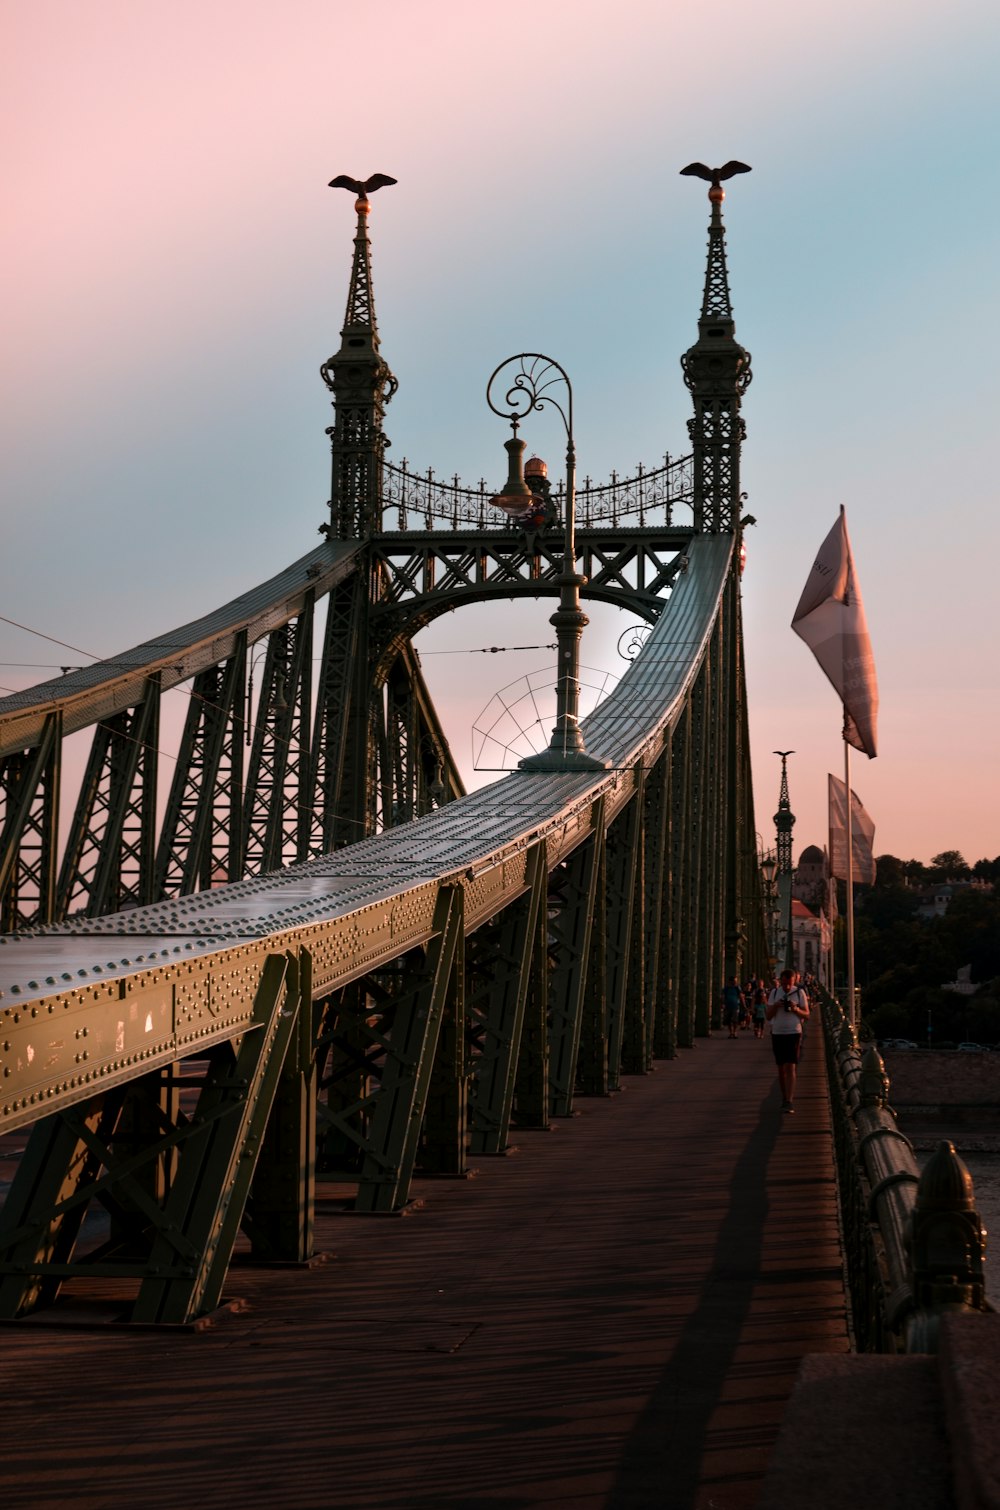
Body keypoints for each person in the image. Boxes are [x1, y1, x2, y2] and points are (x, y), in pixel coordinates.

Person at [766, 968, 810, 1112]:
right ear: (780, 981)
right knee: (781, 1068)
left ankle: (789, 1101)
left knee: (790, 1066)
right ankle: (784, 1096)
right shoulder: (774, 993)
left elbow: (807, 1015)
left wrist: (796, 1009)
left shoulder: (799, 993)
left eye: (789, 984)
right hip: (777, 1033)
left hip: (793, 1032)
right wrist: (776, 1006)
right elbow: (768, 1016)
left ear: (793, 981)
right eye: (784, 984)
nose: (786, 987)